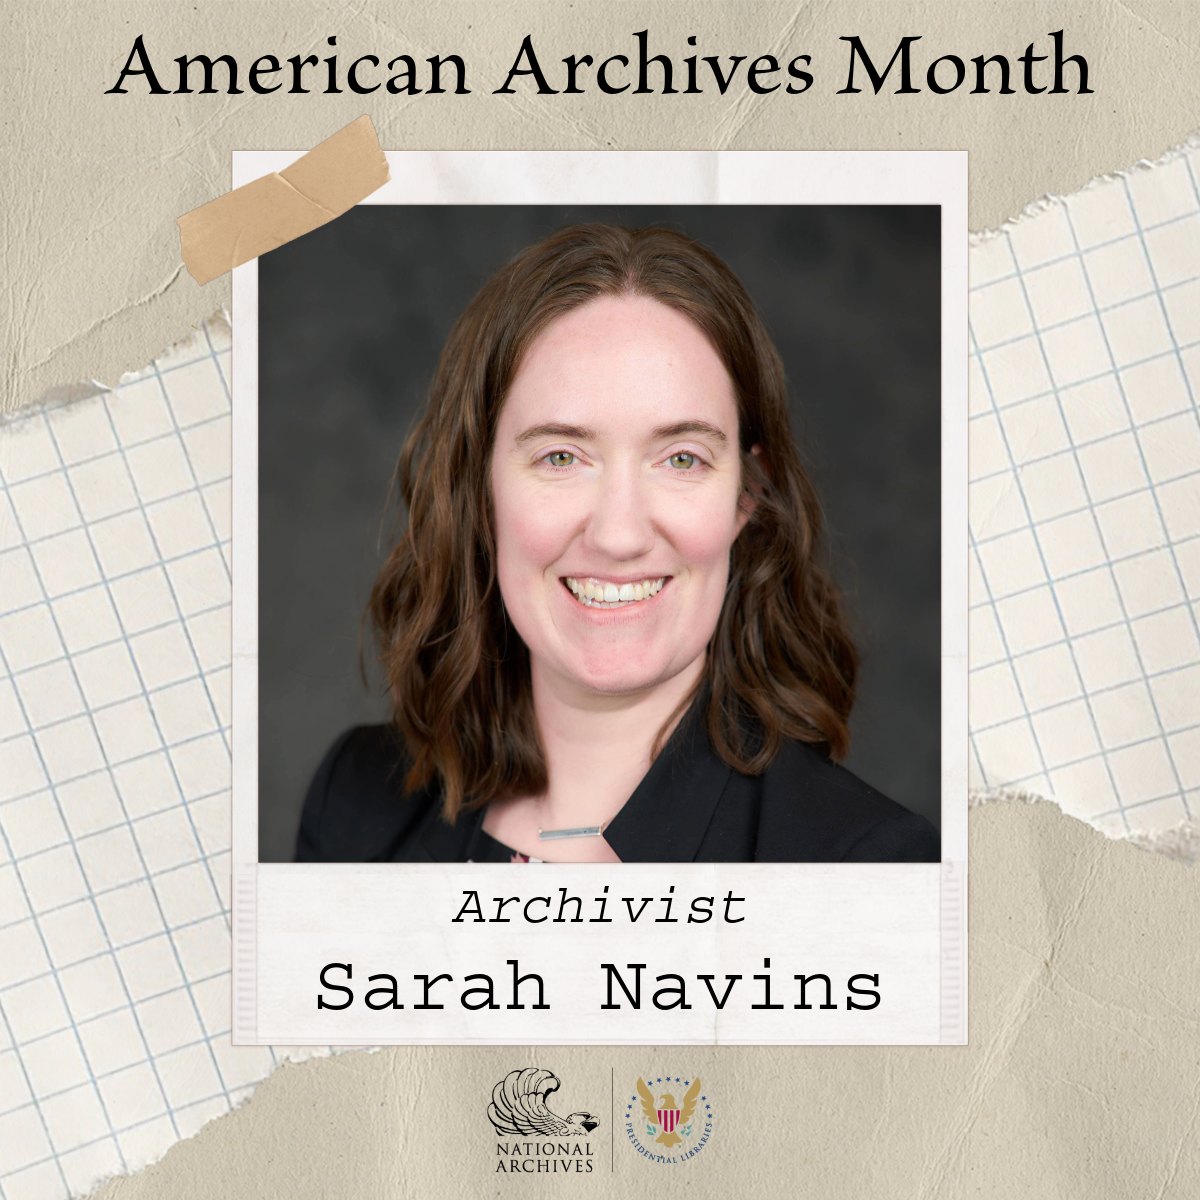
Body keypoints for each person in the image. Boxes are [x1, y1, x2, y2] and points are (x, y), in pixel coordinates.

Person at [295, 223, 939, 864]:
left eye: (681, 459)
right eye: (561, 456)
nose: (619, 535)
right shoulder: (355, 804)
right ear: (478, 491)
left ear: (746, 496)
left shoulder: (868, 866)